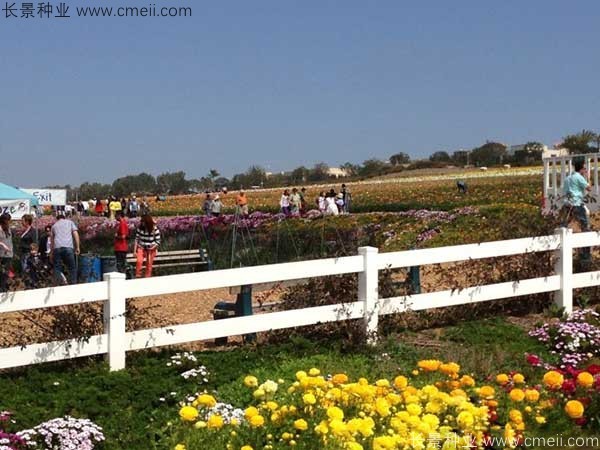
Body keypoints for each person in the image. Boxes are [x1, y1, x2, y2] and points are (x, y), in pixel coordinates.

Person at [562, 159, 593, 263]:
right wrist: (588, 178)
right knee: (585, 227)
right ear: (581, 169)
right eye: (584, 168)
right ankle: (586, 255)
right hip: (576, 204)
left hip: (567, 204)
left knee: (564, 226)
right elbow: (589, 188)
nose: (585, 170)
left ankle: (561, 248)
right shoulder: (579, 177)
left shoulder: (567, 178)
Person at [50, 213, 80, 285]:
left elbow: (52, 241)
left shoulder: (54, 226)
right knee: (72, 268)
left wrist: (51, 253)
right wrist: (78, 247)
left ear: (57, 219)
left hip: (57, 248)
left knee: (57, 267)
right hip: (68, 247)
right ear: (64, 218)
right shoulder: (70, 223)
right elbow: (75, 234)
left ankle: (57, 284)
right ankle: (73, 284)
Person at [0, 213, 13, 292]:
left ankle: (4, 287)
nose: (9, 222)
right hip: (1, 254)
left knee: (6, 272)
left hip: (8, 254)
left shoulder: (8, 229)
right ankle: (2, 288)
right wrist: (3, 245)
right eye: (8, 220)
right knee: (2, 272)